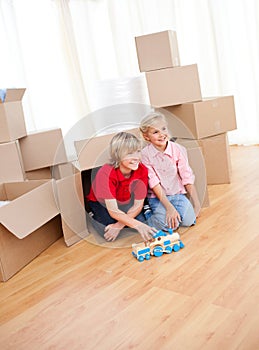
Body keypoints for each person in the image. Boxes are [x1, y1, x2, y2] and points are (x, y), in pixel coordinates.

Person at [86, 131, 157, 242]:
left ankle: (128, 219)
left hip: (125, 199)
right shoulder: (106, 173)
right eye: (129, 154)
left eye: (138, 151)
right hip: (104, 203)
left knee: (140, 222)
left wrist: (119, 226)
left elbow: (138, 204)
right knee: (106, 230)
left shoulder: (142, 169)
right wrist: (136, 225)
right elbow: (113, 210)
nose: (136, 157)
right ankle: (92, 213)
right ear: (117, 155)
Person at [139, 111, 201, 231]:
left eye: (163, 129)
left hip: (177, 194)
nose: (162, 134)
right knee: (169, 226)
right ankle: (147, 213)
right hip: (157, 197)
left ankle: (173, 212)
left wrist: (197, 204)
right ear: (147, 137)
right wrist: (169, 208)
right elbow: (154, 182)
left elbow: (186, 176)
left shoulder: (178, 149)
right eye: (156, 132)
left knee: (189, 221)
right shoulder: (145, 155)